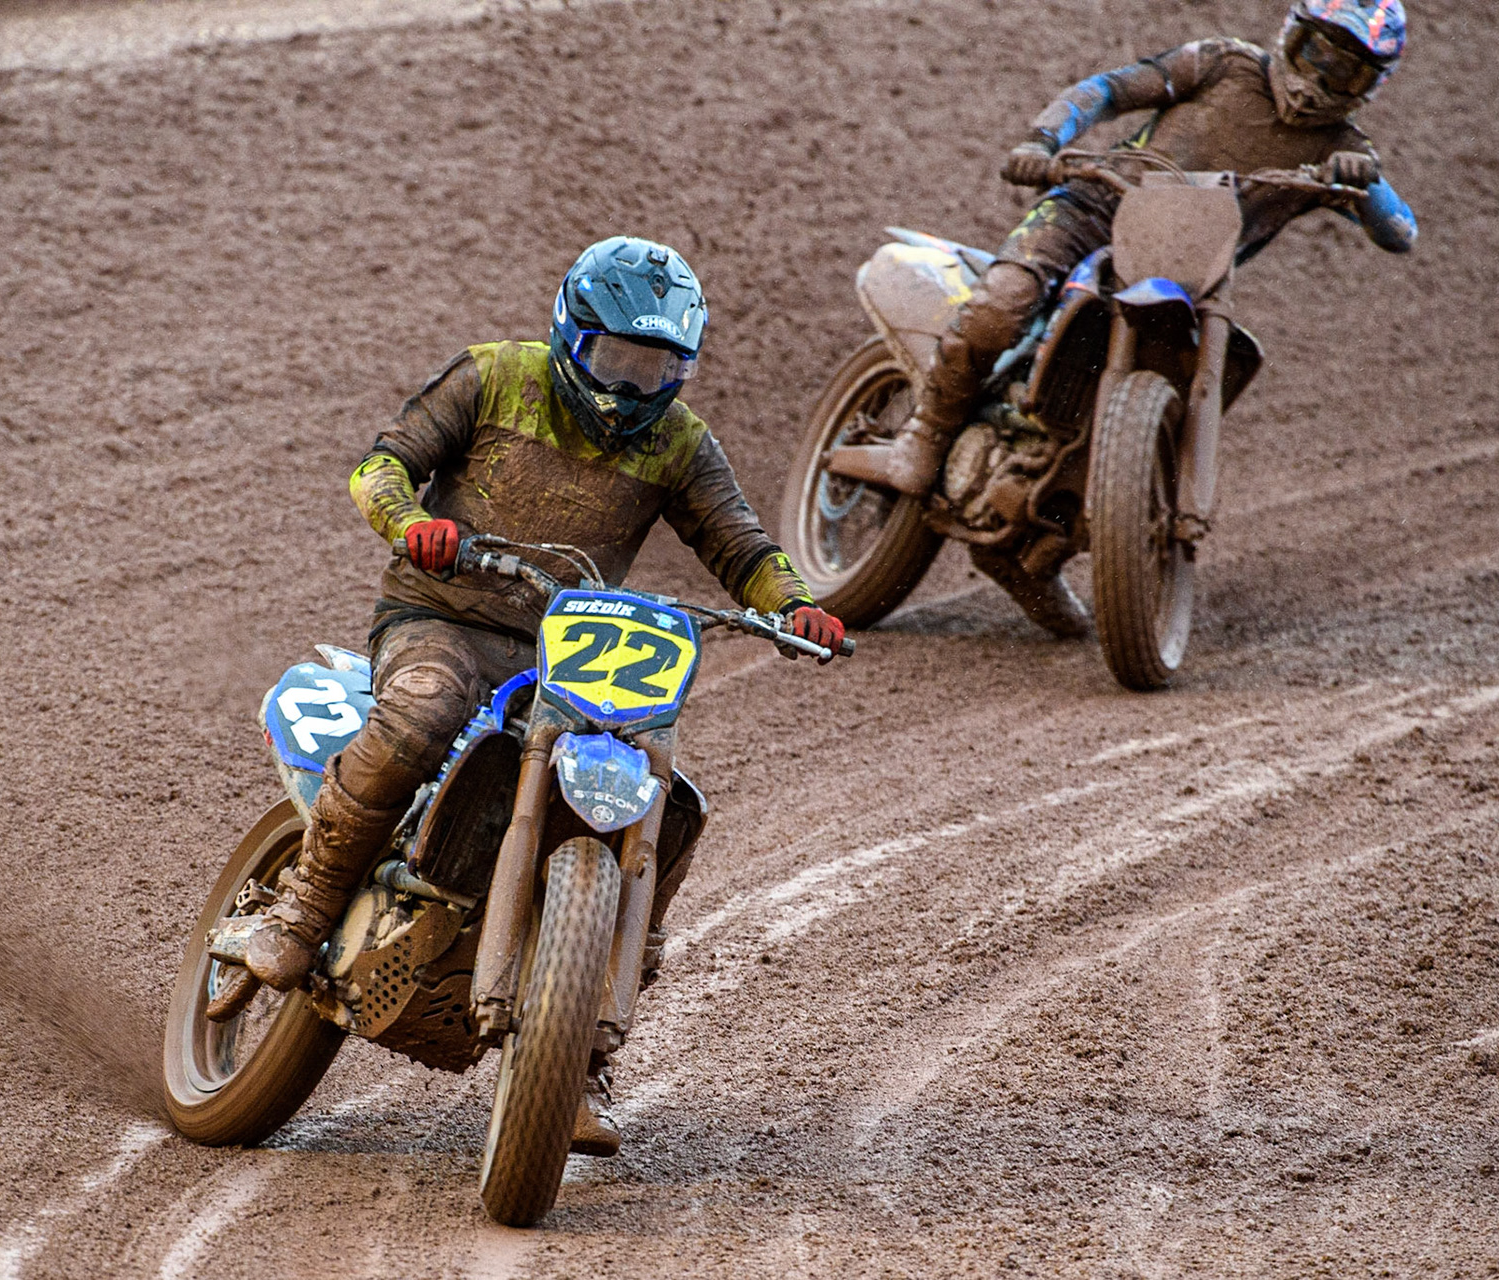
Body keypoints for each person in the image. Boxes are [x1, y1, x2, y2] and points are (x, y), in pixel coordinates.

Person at [240, 236, 849, 1155]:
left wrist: (794, 605)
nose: (634, 387)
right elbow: (381, 466)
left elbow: (742, 546)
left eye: (657, 369)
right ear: (571, 334)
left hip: (571, 651)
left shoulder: (681, 442)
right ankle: (306, 905)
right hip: (442, 617)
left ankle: (581, 1056)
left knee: (666, 803)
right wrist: (414, 524)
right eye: (618, 360)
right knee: (425, 712)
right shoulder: (494, 378)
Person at [854, 0, 1417, 636]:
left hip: (1192, 274)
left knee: (1174, 386)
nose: (1319, 80)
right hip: (1095, 207)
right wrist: (1044, 139)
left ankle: (1039, 553)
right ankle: (926, 433)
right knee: (1002, 305)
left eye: (1346, 73)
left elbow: (1401, 232)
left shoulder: (1343, 149)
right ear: (1292, 36)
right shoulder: (1223, 64)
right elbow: (1109, 90)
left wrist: (1364, 183)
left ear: (1369, 87)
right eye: (1316, 55)